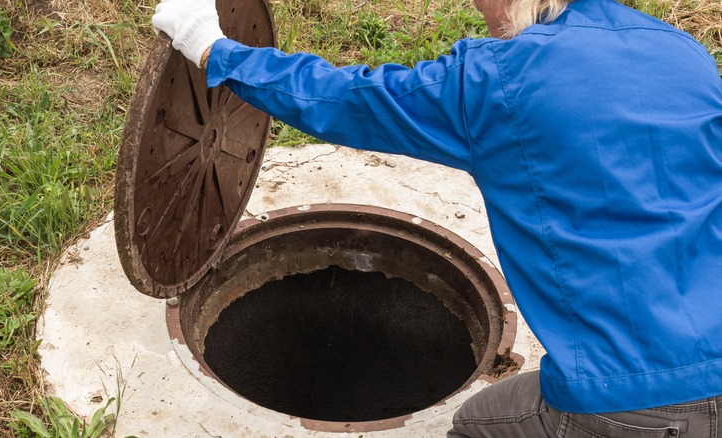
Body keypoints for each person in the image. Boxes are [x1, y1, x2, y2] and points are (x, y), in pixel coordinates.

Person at [151, 0, 722, 435]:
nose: (482, 11)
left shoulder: (499, 80)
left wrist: (212, 47)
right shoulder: (685, 54)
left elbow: (346, 99)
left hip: (630, 403)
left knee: (478, 422)